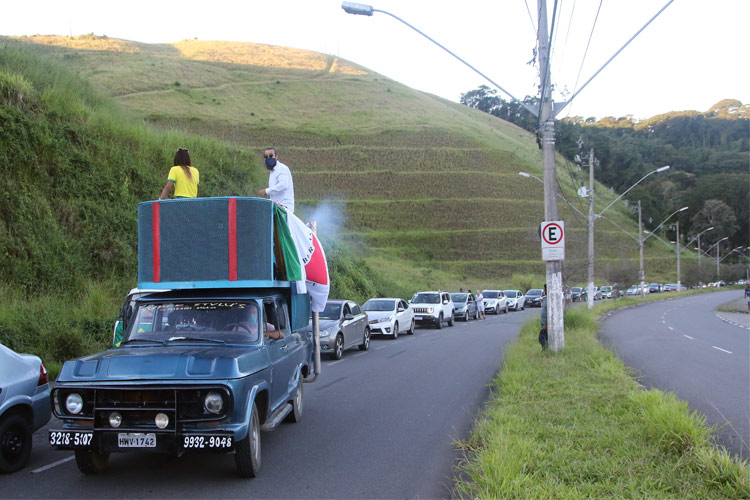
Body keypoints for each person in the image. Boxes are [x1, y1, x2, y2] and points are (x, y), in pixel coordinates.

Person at [257, 147, 295, 213]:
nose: (268, 158)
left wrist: (266, 191)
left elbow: (283, 185)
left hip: (283, 207)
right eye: (266, 157)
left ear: (276, 156)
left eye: (271, 156)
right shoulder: (273, 171)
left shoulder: (282, 168)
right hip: (276, 206)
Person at [539, 284, 548, 350]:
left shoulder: (550, 300)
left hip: (546, 324)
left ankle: (545, 349)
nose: (544, 290)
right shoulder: (545, 298)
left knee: (541, 337)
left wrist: (546, 325)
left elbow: (549, 314)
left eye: (544, 289)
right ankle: (545, 349)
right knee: (544, 338)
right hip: (543, 323)